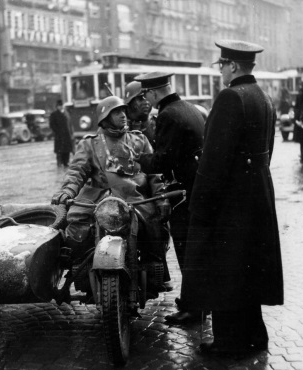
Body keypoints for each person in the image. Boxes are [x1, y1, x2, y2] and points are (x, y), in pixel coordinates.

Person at [179, 39, 284, 357]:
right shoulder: (262, 97)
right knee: (248, 269)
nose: (221, 70)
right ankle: (255, 335)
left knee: (223, 270)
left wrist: (200, 205)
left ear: (233, 66)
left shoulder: (229, 97)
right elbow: (267, 148)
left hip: (230, 203)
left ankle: (228, 342)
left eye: (222, 65)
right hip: (257, 196)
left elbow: (213, 161)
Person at [51, 96, 171, 296]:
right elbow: (76, 172)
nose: (123, 116)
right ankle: (82, 270)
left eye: (124, 111)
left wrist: (161, 196)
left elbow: (154, 174)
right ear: (105, 118)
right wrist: (67, 191)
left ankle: (155, 273)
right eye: (117, 112)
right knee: (76, 228)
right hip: (97, 200)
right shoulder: (89, 144)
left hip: (133, 199)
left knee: (155, 228)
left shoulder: (139, 139)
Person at [133, 71, 206, 324]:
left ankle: (193, 310)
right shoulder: (187, 108)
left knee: (186, 251)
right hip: (196, 187)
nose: (147, 101)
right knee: (193, 250)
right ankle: (195, 301)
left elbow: (163, 160)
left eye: (147, 95)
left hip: (183, 192)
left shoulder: (167, 115)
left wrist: (137, 159)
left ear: (153, 93)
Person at [124, 81, 156, 145]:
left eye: (148, 97)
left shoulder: (157, 125)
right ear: (130, 101)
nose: (146, 102)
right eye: (140, 98)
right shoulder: (118, 126)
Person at [49, 99, 74, 168]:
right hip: (59, 136)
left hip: (66, 135)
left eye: (61, 106)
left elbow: (69, 124)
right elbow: (52, 125)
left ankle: (66, 162)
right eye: (59, 106)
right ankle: (59, 163)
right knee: (59, 151)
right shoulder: (54, 115)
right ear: (57, 107)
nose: (60, 107)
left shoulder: (65, 114)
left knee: (67, 150)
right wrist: (57, 132)